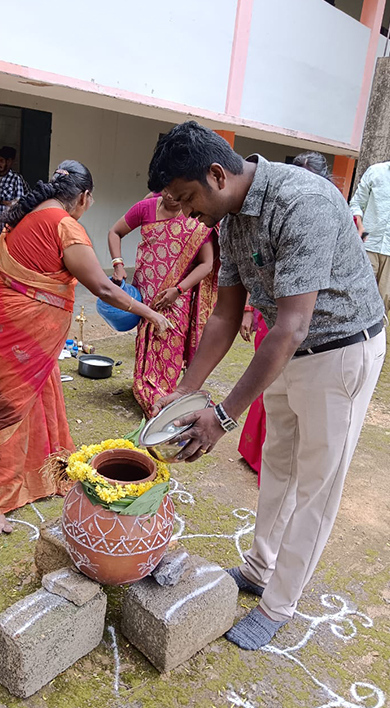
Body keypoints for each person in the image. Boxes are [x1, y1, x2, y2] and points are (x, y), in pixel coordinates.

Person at [148, 122, 385, 650]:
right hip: (286, 352)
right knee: (278, 465)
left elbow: (293, 325)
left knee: (317, 484)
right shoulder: (230, 219)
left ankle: (279, 604)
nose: (185, 213)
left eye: (186, 199)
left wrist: (222, 417)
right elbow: (224, 316)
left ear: (216, 174)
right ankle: (259, 568)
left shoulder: (303, 202)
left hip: (339, 352)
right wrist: (184, 392)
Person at [0, 160, 170, 535]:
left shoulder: (29, 213)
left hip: (7, 323)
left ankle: (41, 473)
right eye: (90, 201)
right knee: (11, 409)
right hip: (20, 329)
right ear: (83, 196)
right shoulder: (64, 225)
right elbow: (103, 287)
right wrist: (150, 314)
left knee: (38, 398)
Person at [238, 151, 334, 484]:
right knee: (267, 388)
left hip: (314, 330)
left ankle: (286, 468)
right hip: (275, 319)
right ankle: (259, 456)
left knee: (303, 411)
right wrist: (248, 311)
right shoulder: (271, 217)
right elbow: (255, 270)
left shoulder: (330, 216)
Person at [108, 189, 217, 415]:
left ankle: (167, 393)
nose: (170, 195)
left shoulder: (195, 216)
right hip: (146, 293)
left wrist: (178, 290)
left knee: (171, 343)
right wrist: (118, 264)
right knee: (147, 341)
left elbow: (207, 264)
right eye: (166, 188)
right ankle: (148, 388)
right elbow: (115, 232)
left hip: (177, 298)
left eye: (177, 191)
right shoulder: (145, 208)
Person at [349, 161, 390, 312]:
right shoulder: (375, 171)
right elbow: (356, 203)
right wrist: (360, 226)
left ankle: (379, 327)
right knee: (359, 295)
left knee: (384, 302)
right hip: (369, 244)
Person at [0, 147, 29, 275]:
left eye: (1, 161)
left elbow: (19, 202)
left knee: (6, 252)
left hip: (8, 222)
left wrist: (0, 201)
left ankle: (8, 276)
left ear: (8, 162)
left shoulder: (15, 179)